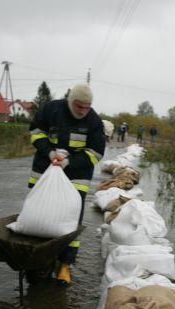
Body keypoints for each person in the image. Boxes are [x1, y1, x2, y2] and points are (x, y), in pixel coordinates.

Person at [28, 83, 105, 286]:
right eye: (79, 106)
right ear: (71, 102)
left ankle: (64, 265)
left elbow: (96, 153)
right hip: (45, 171)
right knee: (40, 216)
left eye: (86, 107)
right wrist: (50, 152)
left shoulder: (94, 120)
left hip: (76, 177)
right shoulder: (51, 109)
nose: (82, 111)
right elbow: (35, 131)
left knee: (70, 220)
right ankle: (40, 259)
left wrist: (69, 162)